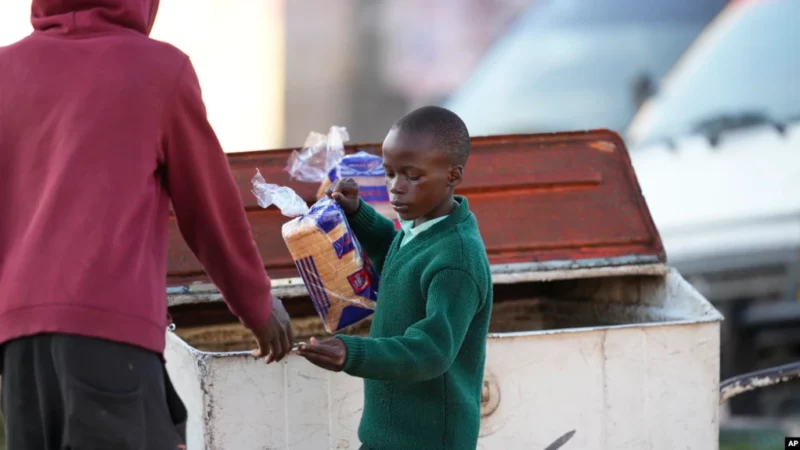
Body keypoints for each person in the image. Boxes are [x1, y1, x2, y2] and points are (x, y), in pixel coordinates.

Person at [0, 0, 293, 448]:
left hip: (18, 345)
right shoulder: (159, 70)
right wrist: (256, 302)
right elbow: (208, 207)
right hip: (108, 335)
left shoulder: (6, 70)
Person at [298, 106, 494, 450]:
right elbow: (398, 256)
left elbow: (432, 350)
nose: (395, 188)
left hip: (429, 440)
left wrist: (352, 353)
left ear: (453, 175)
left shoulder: (456, 261)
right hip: (384, 436)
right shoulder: (423, 225)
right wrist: (358, 214)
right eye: (389, 174)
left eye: (412, 176)